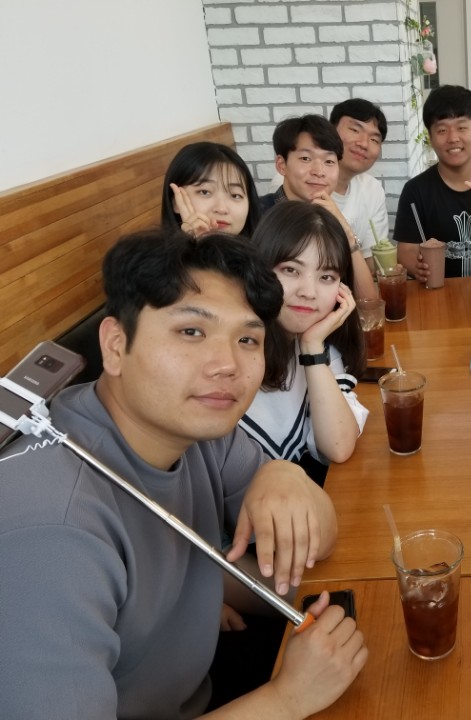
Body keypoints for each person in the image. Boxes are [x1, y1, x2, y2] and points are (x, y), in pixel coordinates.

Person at [0, 230, 367, 718]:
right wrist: (287, 699)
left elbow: (321, 540)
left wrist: (283, 474)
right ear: (115, 345)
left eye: (248, 339)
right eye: (191, 332)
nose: (227, 365)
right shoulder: (51, 529)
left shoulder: (202, 434)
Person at [241, 201, 368, 486]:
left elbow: (338, 446)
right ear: (260, 269)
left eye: (326, 277)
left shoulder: (316, 343)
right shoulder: (235, 352)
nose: (308, 292)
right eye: (291, 270)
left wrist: (312, 347)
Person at [261, 114, 377, 300]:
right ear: (282, 165)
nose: (319, 171)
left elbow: (368, 302)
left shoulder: (330, 221)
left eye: (329, 161)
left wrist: (347, 234)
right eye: (306, 158)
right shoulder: (257, 216)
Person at [394, 85, 471, 281]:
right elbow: (406, 250)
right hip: (436, 293)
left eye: (462, 128)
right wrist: (417, 267)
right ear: (430, 137)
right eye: (442, 130)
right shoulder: (415, 191)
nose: (453, 138)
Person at [329, 98, 390, 275]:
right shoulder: (300, 182)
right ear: (330, 131)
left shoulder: (372, 189)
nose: (363, 143)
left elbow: (371, 260)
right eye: (355, 130)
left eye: (374, 139)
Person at [161, 141, 261, 238]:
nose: (221, 209)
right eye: (205, 192)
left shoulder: (265, 245)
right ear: (176, 202)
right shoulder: (157, 248)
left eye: (235, 195)